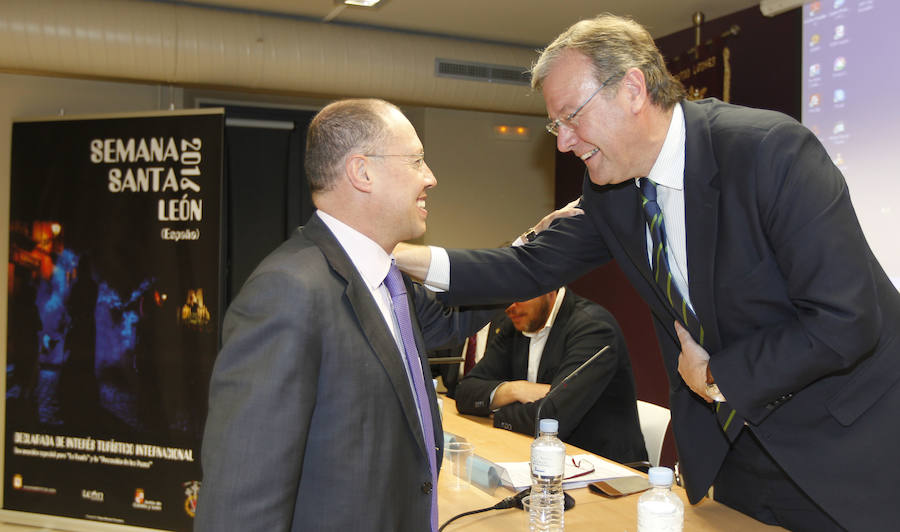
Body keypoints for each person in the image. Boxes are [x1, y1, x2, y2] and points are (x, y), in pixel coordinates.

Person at [395, 13, 900, 531]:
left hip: (847, 449)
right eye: (555, 125)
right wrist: (394, 254)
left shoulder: (768, 151)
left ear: (632, 89)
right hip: (739, 452)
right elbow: (529, 266)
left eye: (571, 117)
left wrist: (716, 377)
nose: (563, 142)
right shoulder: (613, 192)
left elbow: (846, 319)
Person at [195, 98, 493, 532]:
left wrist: (536, 251)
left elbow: (449, 321)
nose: (430, 177)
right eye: (416, 160)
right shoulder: (287, 292)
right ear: (362, 172)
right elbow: (241, 501)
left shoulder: (385, 279)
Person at [455, 287, 647, 464]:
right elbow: (464, 392)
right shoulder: (517, 324)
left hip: (603, 469)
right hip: (538, 457)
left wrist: (496, 411)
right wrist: (515, 389)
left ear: (548, 286)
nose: (509, 307)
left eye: (519, 295)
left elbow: (551, 419)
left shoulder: (593, 327)